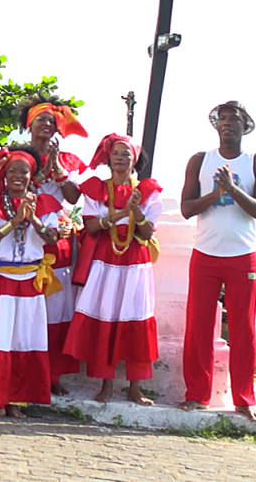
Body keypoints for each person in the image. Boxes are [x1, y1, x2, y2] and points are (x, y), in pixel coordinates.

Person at [178, 101, 256, 421]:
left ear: (246, 126)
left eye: (236, 119)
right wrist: (216, 195)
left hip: (242, 257)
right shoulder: (200, 161)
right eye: (223, 119)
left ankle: (244, 398)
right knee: (198, 328)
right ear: (216, 126)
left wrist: (232, 189)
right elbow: (187, 208)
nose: (228, 123)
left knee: (244, 330)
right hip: (205, 255)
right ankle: (196, 395)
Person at [63, 134, 161, 405]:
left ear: (135, 160)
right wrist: (120, 214)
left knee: (135, 317)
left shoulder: (147, 191)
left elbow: (148, 230)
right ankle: (105, 384)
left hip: (135, 260)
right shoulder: (97, 188)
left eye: (126, 154)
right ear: (109, 158)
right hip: (106, 259)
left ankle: (135, 386)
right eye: (116, 153)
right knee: (106, 314)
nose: (120, 158)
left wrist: (137, 212)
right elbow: (92, 226)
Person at [0, 146, 62, 418]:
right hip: (0, 279)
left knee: (24, 340)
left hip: (30, 281)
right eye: (12, 171)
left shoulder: (45, 205)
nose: (17, 176)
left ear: (32, 175)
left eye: (23, 171)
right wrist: (14, 221)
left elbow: (52, 238)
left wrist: (31, 218)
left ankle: (15, 401)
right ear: (5, 175)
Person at [16, 95, 88, 396]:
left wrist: (57, 167)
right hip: (24, 233)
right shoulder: (16, 156)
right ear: (29, 124)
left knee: (56, 309)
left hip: (56, 238)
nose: (47, 125)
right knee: (27, 308)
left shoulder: (65, 160)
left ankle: (53, 373)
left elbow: (72, 197)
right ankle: (24, 370)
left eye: (52, 121)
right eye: (41, 119)